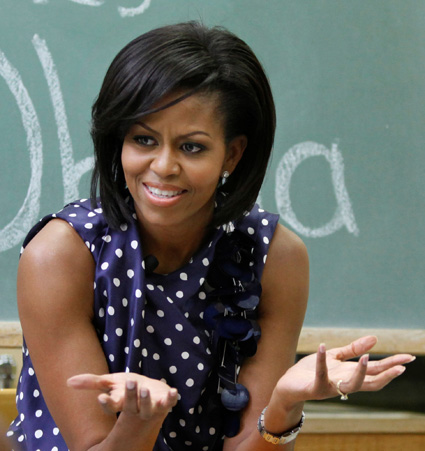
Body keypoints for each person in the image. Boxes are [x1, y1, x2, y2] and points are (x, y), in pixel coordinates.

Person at [7, 22, 413, 450]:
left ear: (232, 154)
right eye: (143, 139)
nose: (163, 166)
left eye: (192, 147)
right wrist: (142, 422)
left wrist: (284, 404)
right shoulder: (60, 254)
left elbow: (250, 443)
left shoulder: (276, 256)